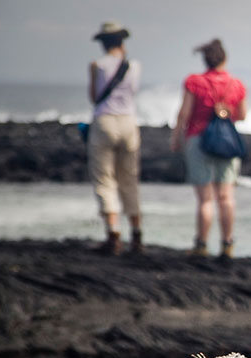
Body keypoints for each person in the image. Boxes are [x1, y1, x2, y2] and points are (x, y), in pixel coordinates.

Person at [170, 38, 247, 259]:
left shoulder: (195, 82)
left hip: (198, 140)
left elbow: (184, 113)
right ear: (225, 58)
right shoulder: (237, 84)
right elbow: (241, 115)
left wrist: (176, 138)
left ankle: (202, 244)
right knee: (226, 197)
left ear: (205, 60)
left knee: (205, 199)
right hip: (227, 142)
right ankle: (227, 244)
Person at [87, 21, 142, 255]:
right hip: (129, 122)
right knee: (129, 178)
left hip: (105, 120)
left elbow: (93, 97)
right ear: (121, 41)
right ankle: (137, 234)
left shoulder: (97, 65)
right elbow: (133, 92)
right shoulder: (134, 65)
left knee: (105, 179)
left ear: (103, 43)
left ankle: (113, 235)